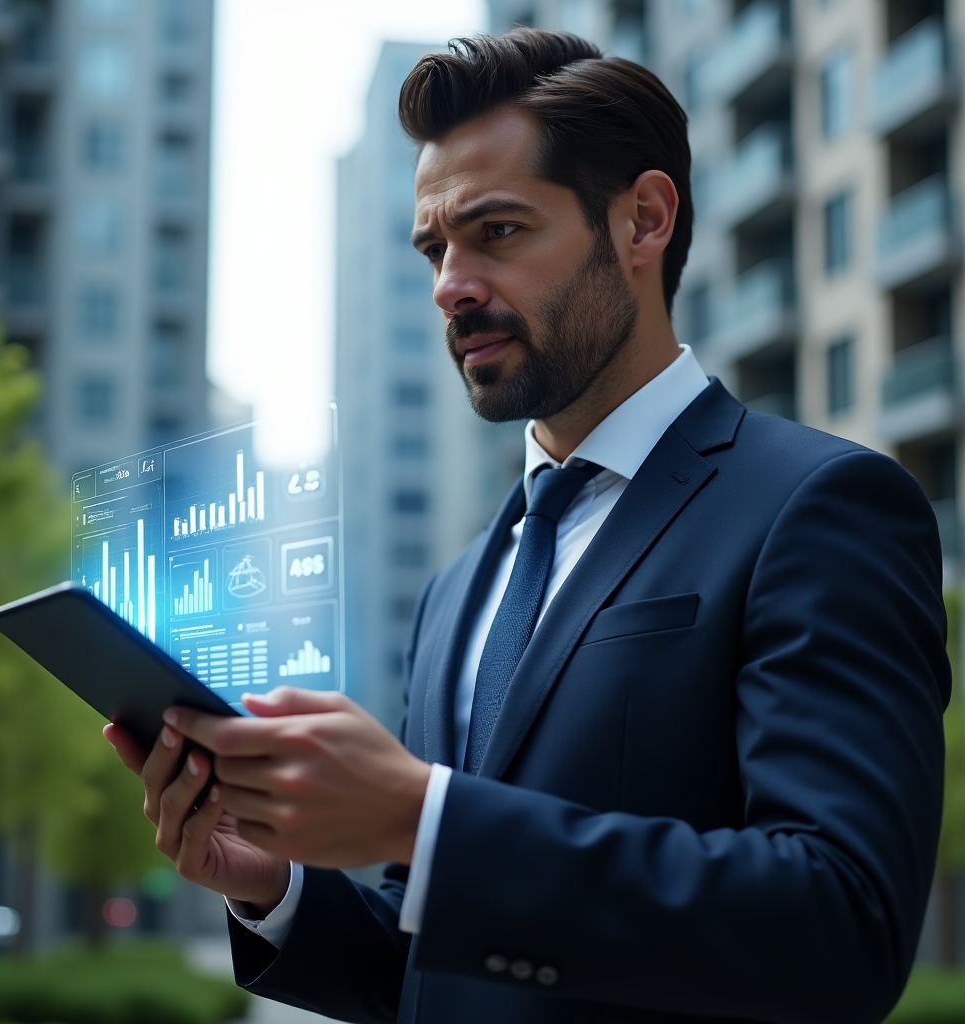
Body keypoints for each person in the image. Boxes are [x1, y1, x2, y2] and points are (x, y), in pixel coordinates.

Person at [106, 29, 950, 1024]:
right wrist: (272, 888)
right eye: (433, 248)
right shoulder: (460, 586)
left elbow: (840, 923)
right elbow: (439, 970)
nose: (449, 286)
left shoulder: (820, 505)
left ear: (642, 221)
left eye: (496, 232)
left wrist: (423, 816)